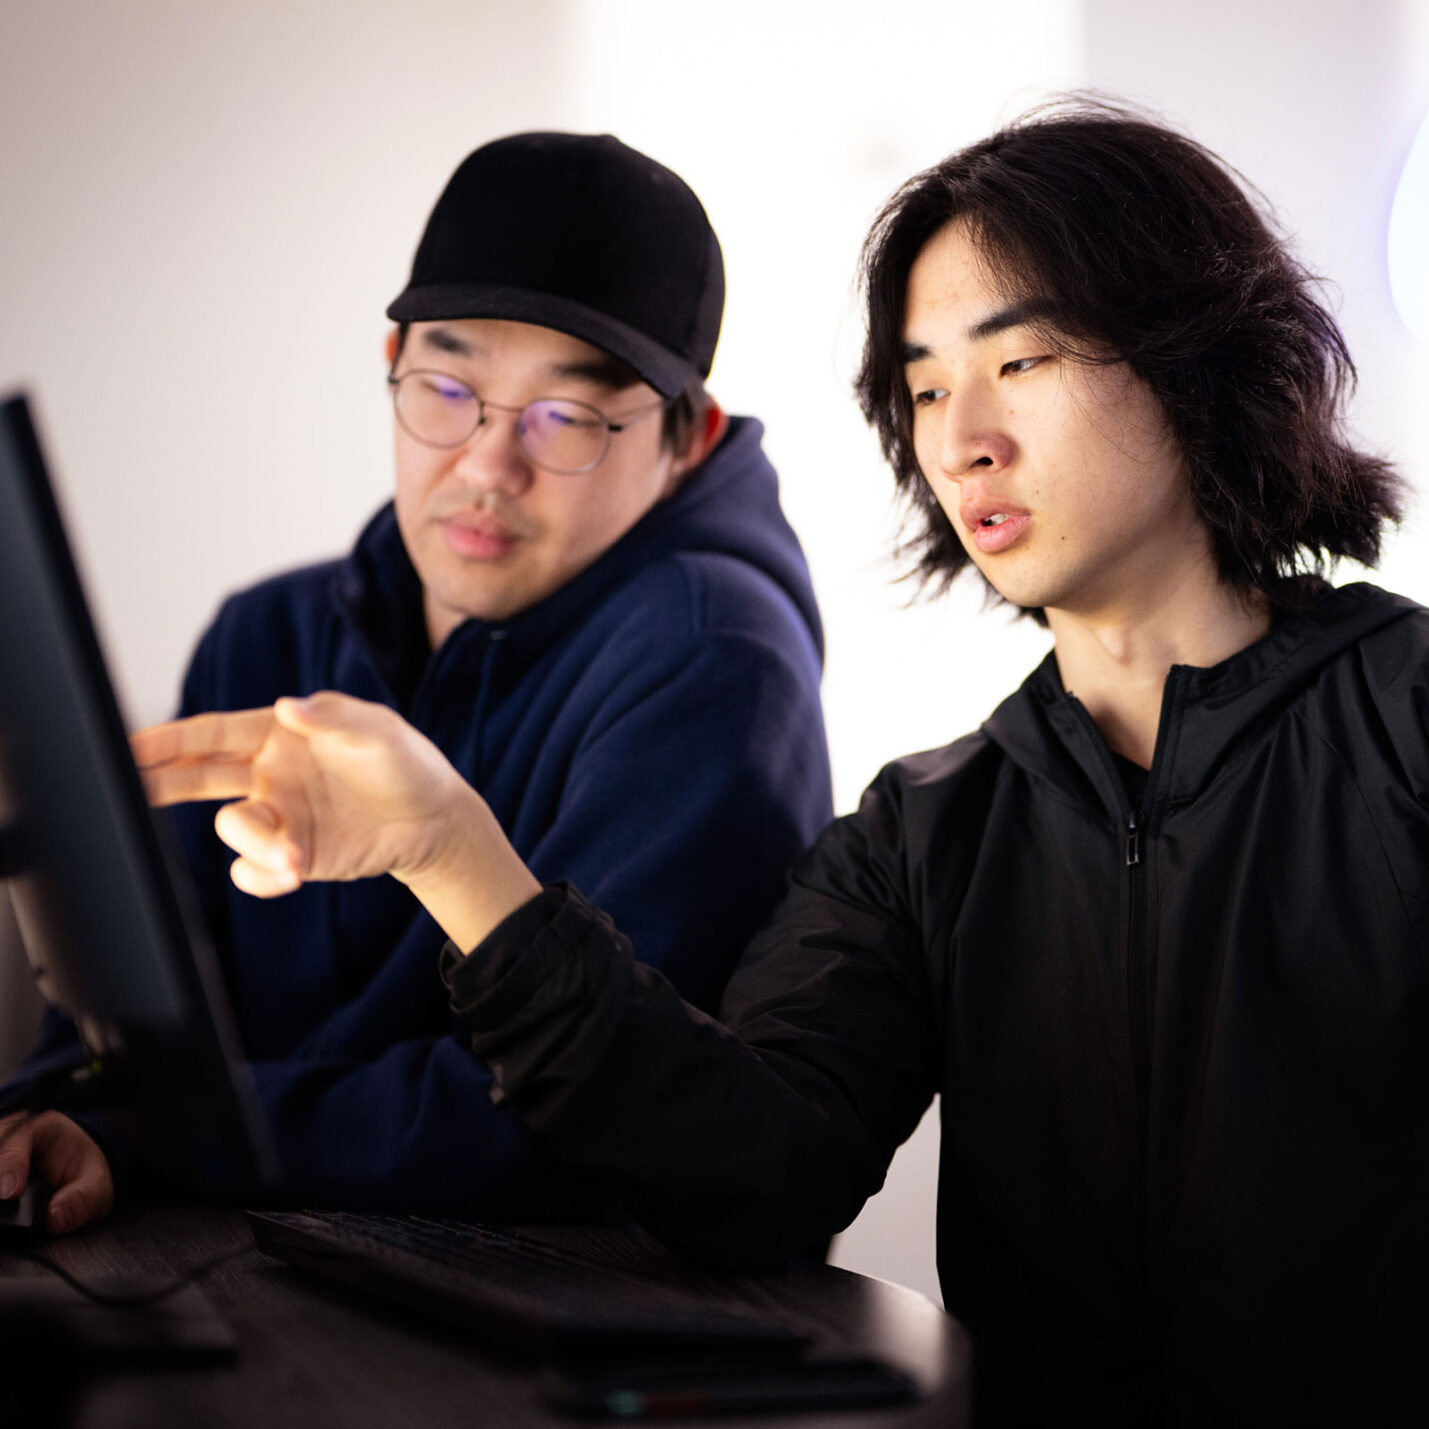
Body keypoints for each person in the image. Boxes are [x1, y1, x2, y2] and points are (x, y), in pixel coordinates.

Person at [128, 102, 1422, 1423]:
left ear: (1196, 359)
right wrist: (450, 854)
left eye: (1020, 360)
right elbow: (746, 1179)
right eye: (926, 388)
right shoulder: (925, 831)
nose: (960, 437)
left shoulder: (1403, 719)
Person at [0, 132, 832, 1233]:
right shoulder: (268, 635)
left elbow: (556, 1122)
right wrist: (55, 1114)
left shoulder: (712, 661)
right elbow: (127, 1012)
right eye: (445, 388)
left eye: (566, 417)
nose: (487, 466)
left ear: (688, 439)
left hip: (541, 1297)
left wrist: (149, 1135)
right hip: (256, 1253)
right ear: (390, 361)